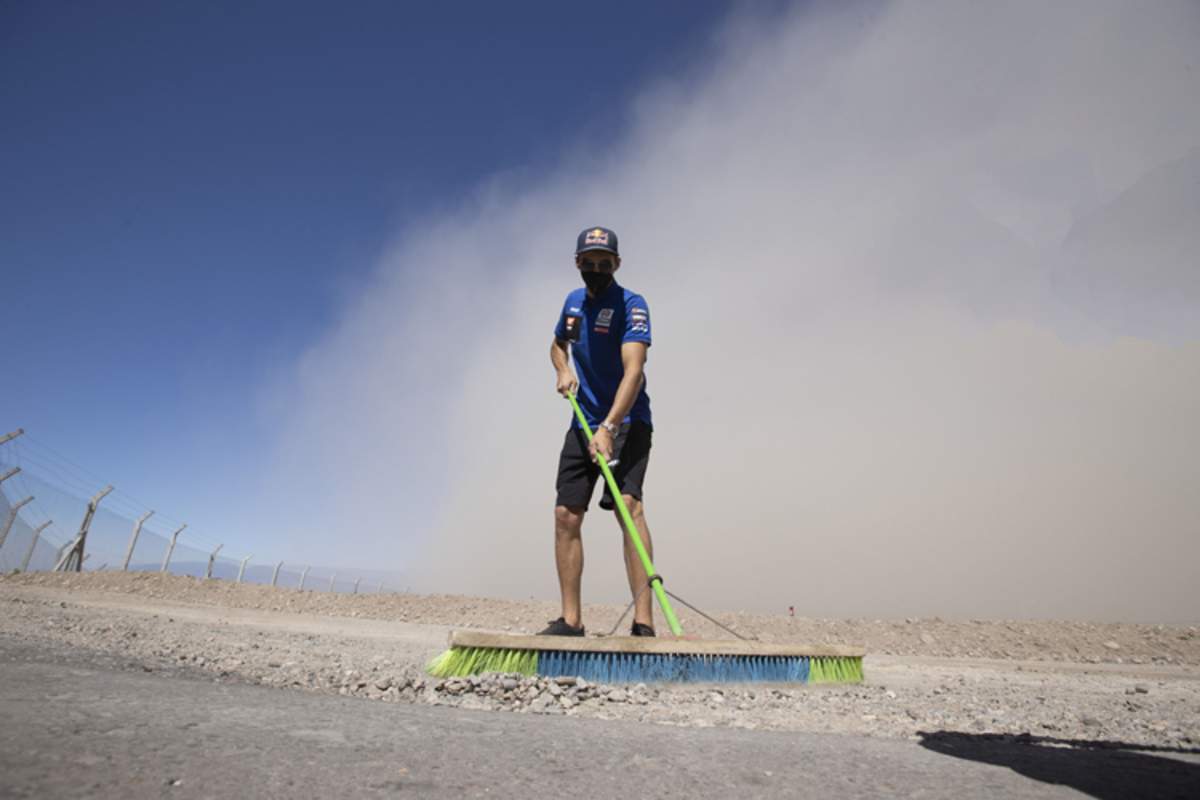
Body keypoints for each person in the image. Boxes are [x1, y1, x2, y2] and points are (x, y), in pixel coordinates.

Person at [542, 226, 656, 637]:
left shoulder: (631, 305)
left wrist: (609, 426)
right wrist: (562, 368)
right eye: (588, 263)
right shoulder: (572, 304)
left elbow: (634, 372)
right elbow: (558, 343)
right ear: (577, 263)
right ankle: (571, 621)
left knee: (628, 508)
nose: (595, 269)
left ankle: (643, 623)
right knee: (565, 514)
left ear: (617, 264)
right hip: (581, 421)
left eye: (603, 263)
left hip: (627, 421)